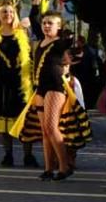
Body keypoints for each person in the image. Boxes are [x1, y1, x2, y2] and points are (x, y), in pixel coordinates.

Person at [0, 0, 37, 167]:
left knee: (24, 120)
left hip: (20, 82)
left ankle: (28, 155)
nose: (8, 15)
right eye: (4, 12)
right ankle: (8, 155)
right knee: (4, 122)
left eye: (11, 12)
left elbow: (31, 56)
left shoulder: (22, 33)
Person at [30, 11, 74, 180]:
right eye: (45, 23)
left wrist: (67, 35)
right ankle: (48, 169)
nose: (46, 25)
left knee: (51, 127)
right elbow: (34, 22)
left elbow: (68, 42)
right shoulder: (40, 42)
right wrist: (35, 6)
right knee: (44, 131)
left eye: (51, 23)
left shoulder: (59, 43)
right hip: (39, 88)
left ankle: (64, 167)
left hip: (55, 87)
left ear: (59, 26)